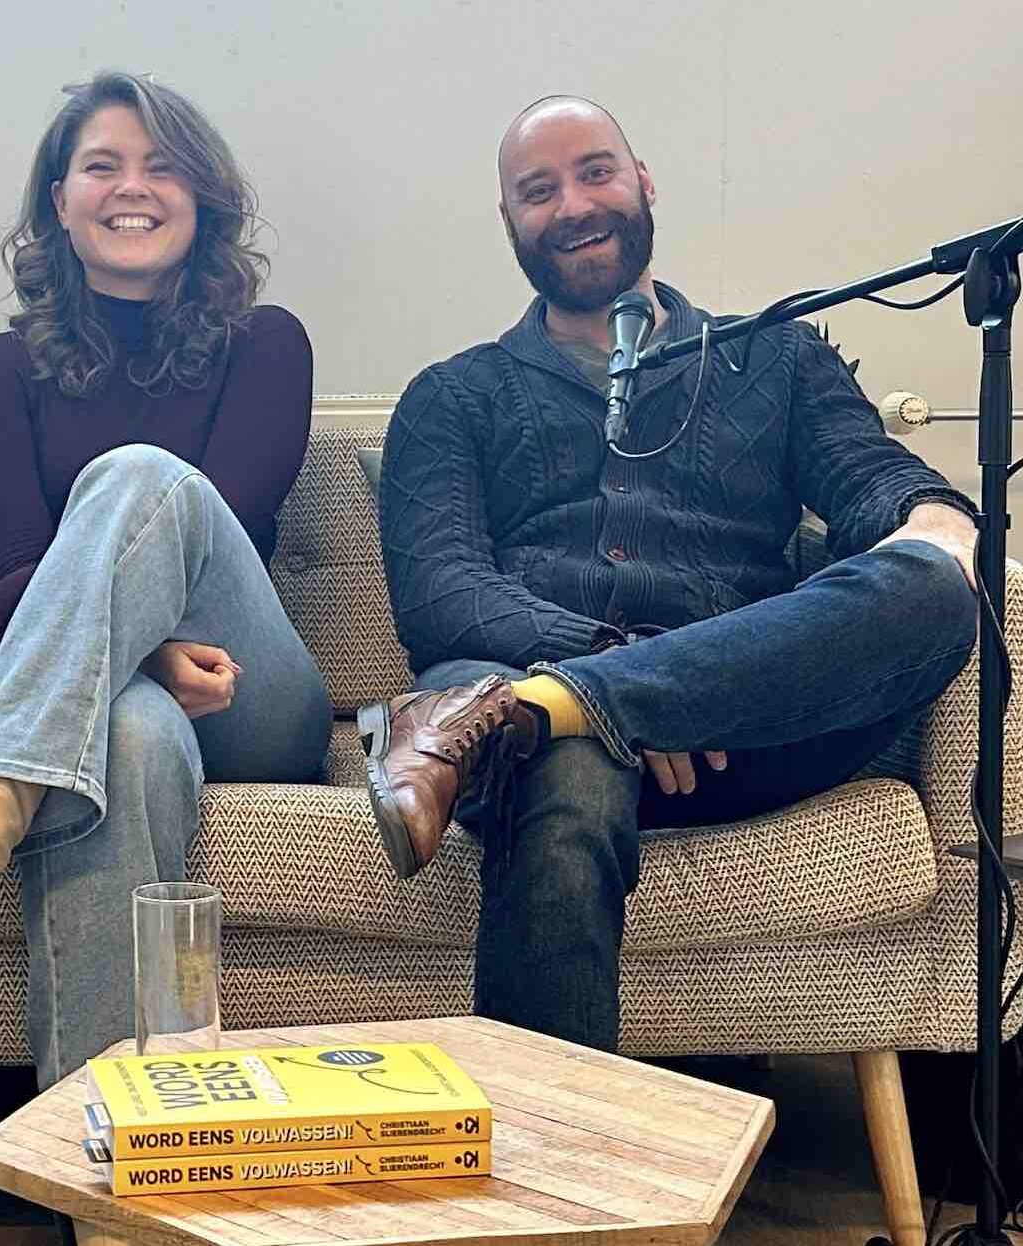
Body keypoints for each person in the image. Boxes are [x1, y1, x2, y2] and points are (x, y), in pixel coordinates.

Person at [358, 95, 984, 1052]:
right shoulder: (452, 396)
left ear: (644, 182)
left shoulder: (776, 356)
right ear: (509, 221)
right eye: (539, 190)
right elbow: (442, 596)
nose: (573, 205)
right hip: (512, 710)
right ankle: (553, 1144)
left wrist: (934, 517)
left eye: (595, 172)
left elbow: (868, 477)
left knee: (936, 587)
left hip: (745, 728)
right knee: (566, 761)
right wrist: (620, 670)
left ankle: (551, 705)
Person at [0, 70, 330, 1089]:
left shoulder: (266, 344)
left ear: (201, 197)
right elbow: (19, 551)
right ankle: (103, 1130)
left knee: (141, 477)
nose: (132, 188)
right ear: (59, 203)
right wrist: (145, 658)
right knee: (124, 735)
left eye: (162, 167)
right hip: (110, 690)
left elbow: (212, 520)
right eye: (102, 166)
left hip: (244, 687)